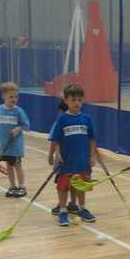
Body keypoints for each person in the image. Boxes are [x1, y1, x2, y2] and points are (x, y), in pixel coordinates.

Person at [48, 84, 102, 226]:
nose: (76, 103)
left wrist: (92, 156)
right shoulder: (62, 119)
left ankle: (82, 208)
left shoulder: (87, 119)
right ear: (66, 101)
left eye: (79, 100)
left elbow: (92, 139)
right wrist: (56, 154)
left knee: (80, 186)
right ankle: (63, 211)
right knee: (63, 187)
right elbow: (56, 139)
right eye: (73, 100)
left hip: (82, 161)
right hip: (66, 161)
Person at [0, 82, 30, 197]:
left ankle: (22, 186)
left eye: (16, 97)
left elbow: (26, 125)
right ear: (3, 96)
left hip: (15, 146)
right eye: (11, 97)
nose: (14, 99)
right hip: (4, 145)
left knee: (17, 166)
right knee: (9, 166)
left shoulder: (18, 111)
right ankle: (12, 186)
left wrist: (18, 129)